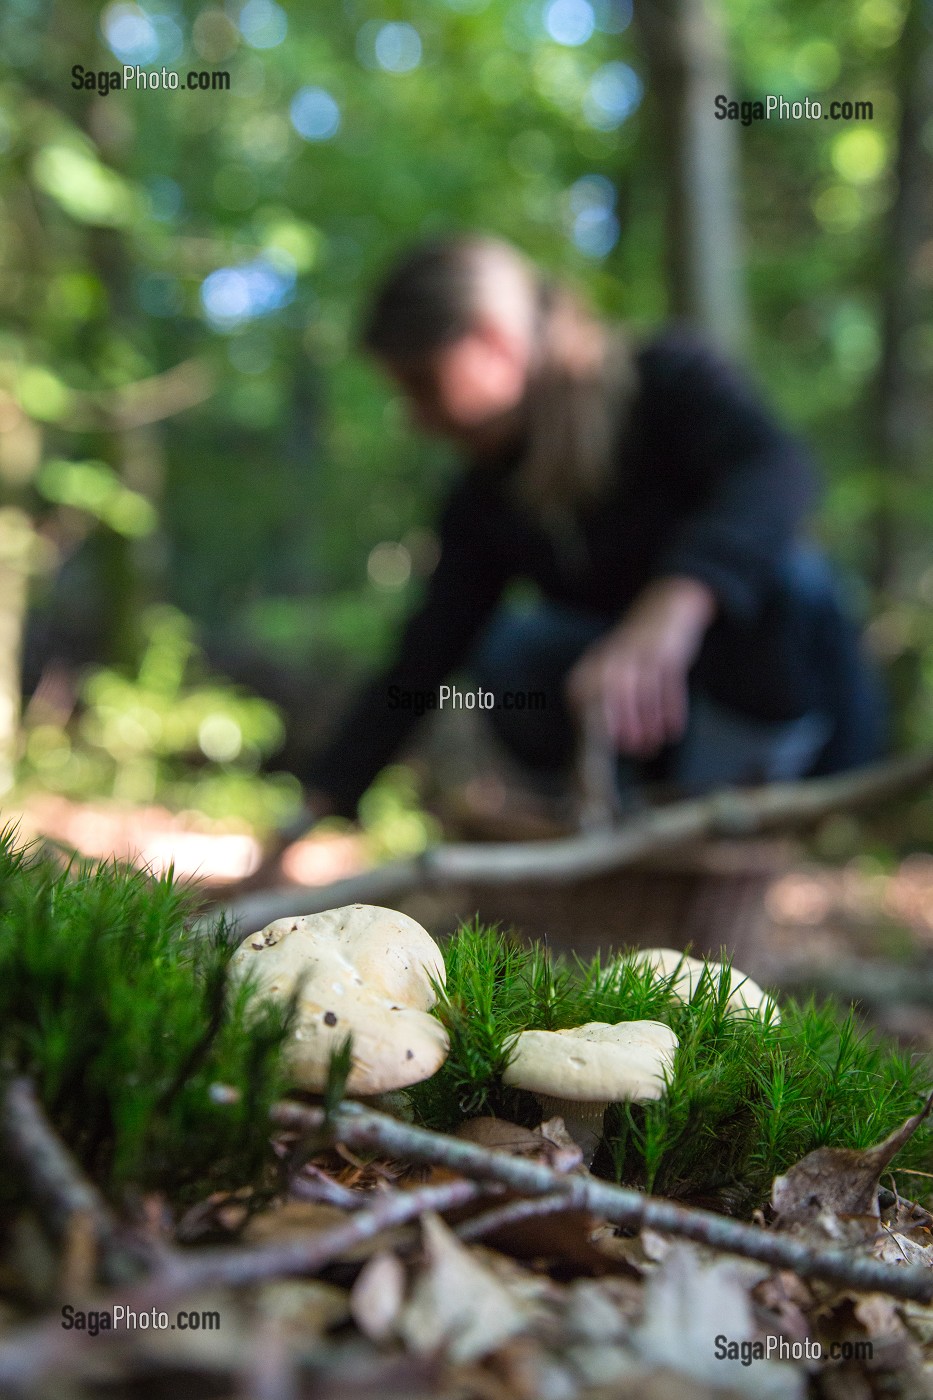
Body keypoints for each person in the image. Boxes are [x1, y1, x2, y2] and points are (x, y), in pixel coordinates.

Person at [294, 234, 885, 826]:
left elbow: (776, 472)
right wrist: (319, 804)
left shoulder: (668, 381)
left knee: (788, 578)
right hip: (645, 730)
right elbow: (424, 661)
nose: (417, 419)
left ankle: (749, 813)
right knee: (505, 662)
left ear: (491, 341)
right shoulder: (488, 496)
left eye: (423, 384)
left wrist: (674, 606)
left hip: (785, 703)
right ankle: (614, 814)